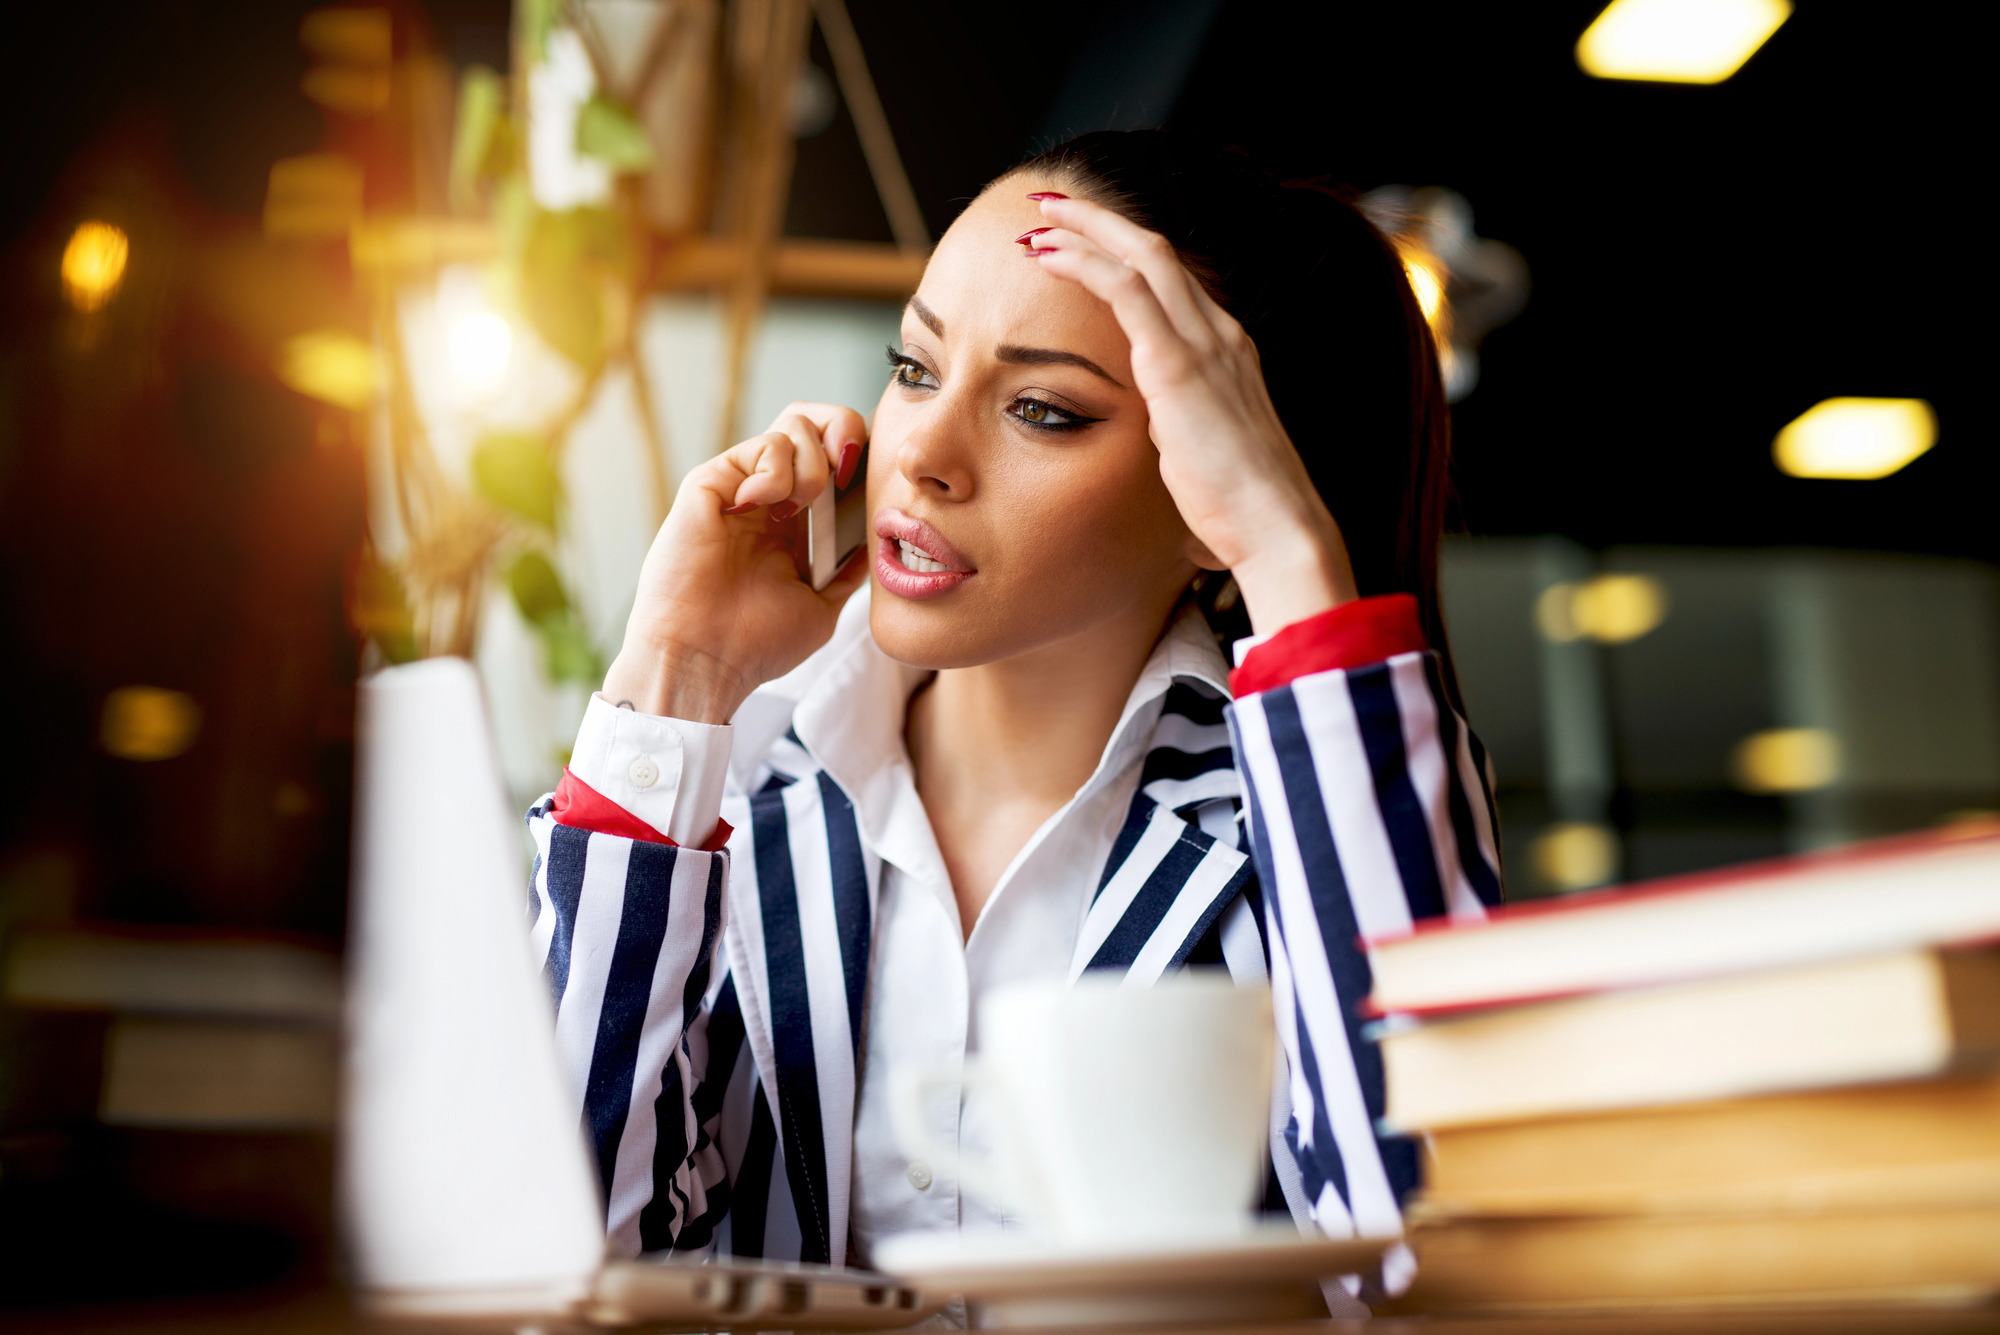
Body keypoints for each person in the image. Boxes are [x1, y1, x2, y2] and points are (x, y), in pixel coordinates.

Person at [526, 130, 1502, 1303]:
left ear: (1210, 486)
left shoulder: (1322, 813)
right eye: (915, 365)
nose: (920, 455)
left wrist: (1287, 550)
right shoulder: (725, 815)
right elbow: (558, 1271)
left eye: (1041, 409)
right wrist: (674, 673)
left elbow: (1428, 1272)